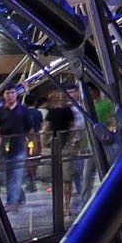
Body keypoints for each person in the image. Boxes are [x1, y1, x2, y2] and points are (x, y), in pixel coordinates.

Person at [0, 86, 41, 206]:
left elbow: (30, 129)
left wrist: (33, 145)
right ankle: (18, 198)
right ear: (4, 95)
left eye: (12, 93)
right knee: (8, 175)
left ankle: (12, 202)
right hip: (5, 147)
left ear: (16, 95)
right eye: (8, 93)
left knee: (16, 175)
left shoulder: (23, 111)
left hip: (19, 146)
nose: (10, 95)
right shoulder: (0, 112)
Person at [42, 86, 86, 215]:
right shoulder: (53, 111)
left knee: (66, 177)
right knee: (61, 178)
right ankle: (63, 205)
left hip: (64, 146)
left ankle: (66, 205)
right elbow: (47, 127)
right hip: (57, 146)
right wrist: (44, 142)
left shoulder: (67, 110)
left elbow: (70, 127)